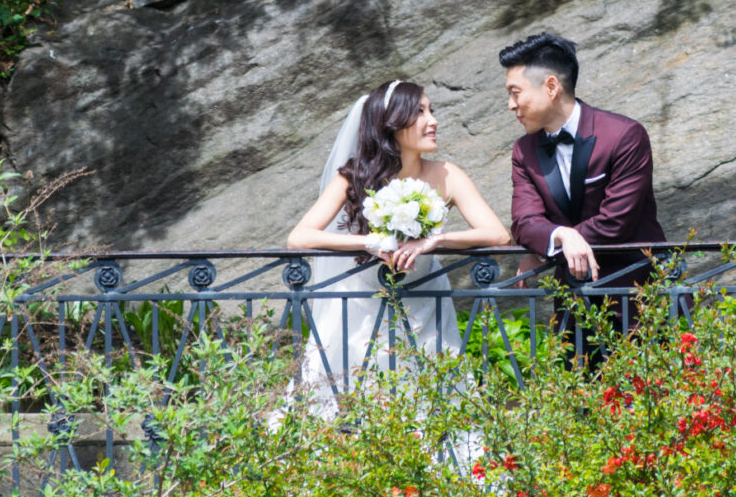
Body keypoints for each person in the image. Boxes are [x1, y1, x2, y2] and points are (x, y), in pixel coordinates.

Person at [285, 80, 510, 417]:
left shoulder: (447, 175)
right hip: (360, 303)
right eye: (419, 112)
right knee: (352, 395)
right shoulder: (353, 177)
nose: (432, 120)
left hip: (425, 301)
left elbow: (497, 234)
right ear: (391, 123)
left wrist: (436, 241)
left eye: (431, 111)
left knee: (429, 396)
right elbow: (299, 238)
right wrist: (371, 243)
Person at [501, 33, 665, 343]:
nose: (511, 105)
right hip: (573, 312)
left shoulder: (624, 135)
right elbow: (524, 222)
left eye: (515, 93)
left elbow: (617, 221)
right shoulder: (523, 150)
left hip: (638, 303)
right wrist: (561, 235)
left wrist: (549, 253)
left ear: (551, 87)